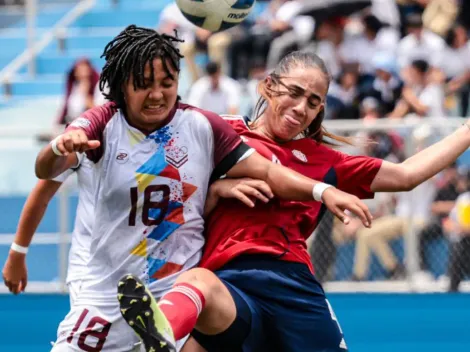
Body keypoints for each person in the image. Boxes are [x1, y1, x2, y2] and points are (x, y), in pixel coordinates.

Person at [34, 26, 371, 352]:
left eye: (168, 83)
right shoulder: (103, 123)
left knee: (199, 294)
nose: (157, 94)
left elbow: (269, 171)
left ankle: (162, 331)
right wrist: (58, 151)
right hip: (107, 294)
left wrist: (321, 191)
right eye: (145, 84)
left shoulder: (201, 126)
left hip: (176, 293)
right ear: (124, 86)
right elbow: (46, 174)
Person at [118, 51, 470, 352]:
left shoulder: (323, 160)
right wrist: (216, 191)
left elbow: (407, 175)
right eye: (295, 93)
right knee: (197, 284)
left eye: (314, 102)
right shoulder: (216, 132)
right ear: (268, 86)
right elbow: (174, 196)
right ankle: (158, 334)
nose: (302, 108)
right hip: (228, 283)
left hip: (292, 286)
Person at [2, 153, 93, 306]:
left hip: (144, 268)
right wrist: (17, 253)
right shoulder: (89, 133)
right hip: (91, 276)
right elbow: (43, 190)